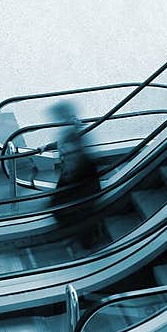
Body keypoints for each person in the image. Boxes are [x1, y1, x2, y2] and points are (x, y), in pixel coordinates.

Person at [45, 101, 106, 247]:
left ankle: (88, 240)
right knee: (64, 205)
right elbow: (66, 145)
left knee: (65, 205)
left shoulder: (72, 129)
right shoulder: (72, 126)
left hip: (77, 174)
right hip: (77, 172)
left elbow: (75, 152)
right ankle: (86, 237)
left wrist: (69, 175)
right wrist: (47, 147)